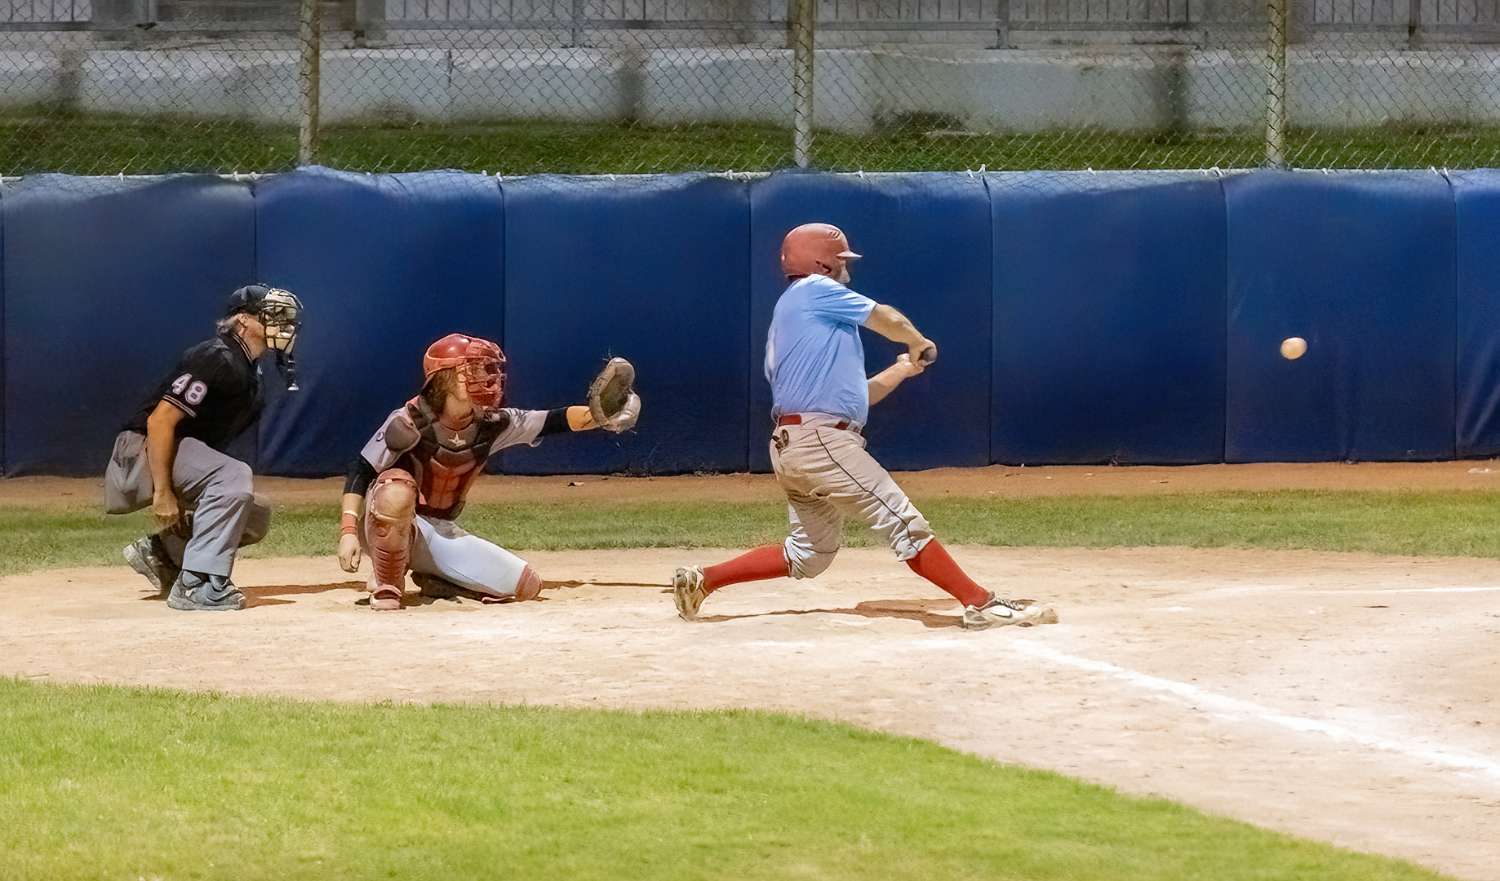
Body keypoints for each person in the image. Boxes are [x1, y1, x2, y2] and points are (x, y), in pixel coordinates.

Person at [672, 223, 1056, 630]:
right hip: (820, 441)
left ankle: (703, 580)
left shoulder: (796, 318)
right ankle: (981, 603)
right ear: (822, 264)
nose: (847, 268)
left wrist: (901, 370)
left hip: (793, 444)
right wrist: (917, 340)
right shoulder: (814, 290)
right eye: (840, 260)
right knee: (902, 521)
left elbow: (859, 398)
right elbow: (885, 317)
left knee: (809, 554)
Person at [337, 333, 640, 611]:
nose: (487, 378)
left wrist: (600, 416)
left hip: (437, 530)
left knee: (526, 585)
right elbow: (361, 470)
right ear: (444, 378)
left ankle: (439, 578)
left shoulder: (492, 423)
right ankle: (387, 583)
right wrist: (348, 532)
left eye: (488, 369)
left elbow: (553, 420)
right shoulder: (409, 420)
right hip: (386, 522)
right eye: (474, 369)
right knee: (395, 489)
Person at [106, 284, 304, 612]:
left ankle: (164, 554)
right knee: (233, 476)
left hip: (170, 451)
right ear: (242, 320)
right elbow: (159, 421)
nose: (282, 324)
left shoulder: (248, 372)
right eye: (271, 316)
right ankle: (197, 584)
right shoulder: (217, 356)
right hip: (141, 450)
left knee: (255, 514)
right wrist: (163, 492)